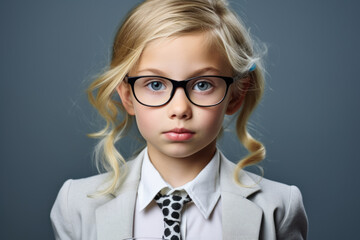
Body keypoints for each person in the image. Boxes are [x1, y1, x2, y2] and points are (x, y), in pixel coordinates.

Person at [50, 0, 308, 239]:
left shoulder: (279, 206)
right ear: (127, 96)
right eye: (154, 84)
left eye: (203, 84)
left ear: (235, 96)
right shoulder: (77, 204)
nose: (180, 109)